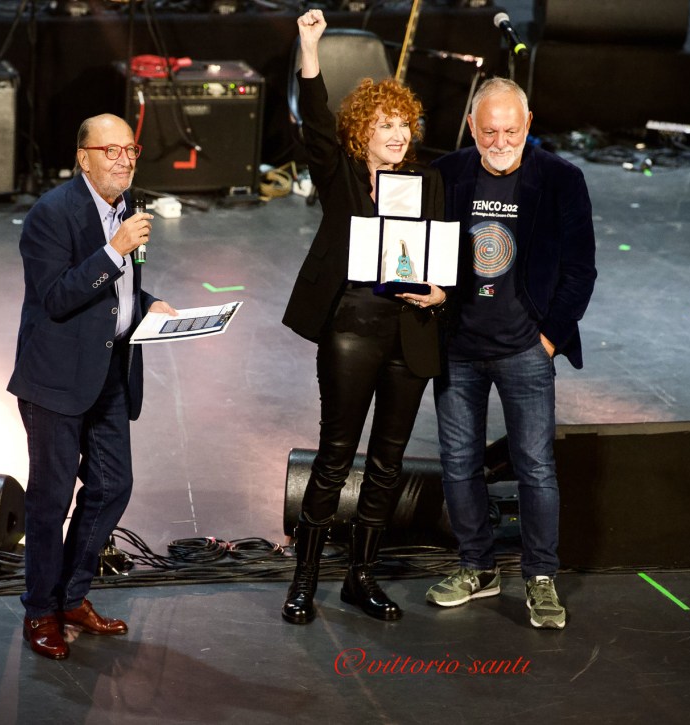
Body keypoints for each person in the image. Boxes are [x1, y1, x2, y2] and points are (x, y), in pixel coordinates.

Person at [281, 8, 447, 624]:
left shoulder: (427, 182)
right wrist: (310, 47)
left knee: (388, 462)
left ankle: (362, 577)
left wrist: (441, 293)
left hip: (411, 329)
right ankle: (305, 579)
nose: (398, 134)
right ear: (361, 132)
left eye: (404, 124)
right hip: (352, 326)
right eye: (385, 125)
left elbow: (442, 257)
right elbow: (313, 118)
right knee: (336, 455)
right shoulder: (341, 174)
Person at [425, 78, 597, 629]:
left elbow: (580, 270)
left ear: (528, 125)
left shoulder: (562, 179)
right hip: (457, 349)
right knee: (458, 463)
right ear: (471, 127)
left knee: (535, 467)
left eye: (511, 131)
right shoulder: (446, 173)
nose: (500, 142)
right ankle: (477, 568)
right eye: (489, 131)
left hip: (526, 349)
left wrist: (548, 339)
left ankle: (540, 576)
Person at [7, 113, 177, 659]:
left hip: (109, 373)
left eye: (131, 149)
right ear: (84, 158)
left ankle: (72, 596)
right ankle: (40, 610)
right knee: (51, 499)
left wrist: (149, 304)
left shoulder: (126, 210)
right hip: (56, 380)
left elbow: (117, 294)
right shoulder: (51, 214)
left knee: (112, 486)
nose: (124, 159)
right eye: (111, 151)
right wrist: (113, 250)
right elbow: (56, 297)